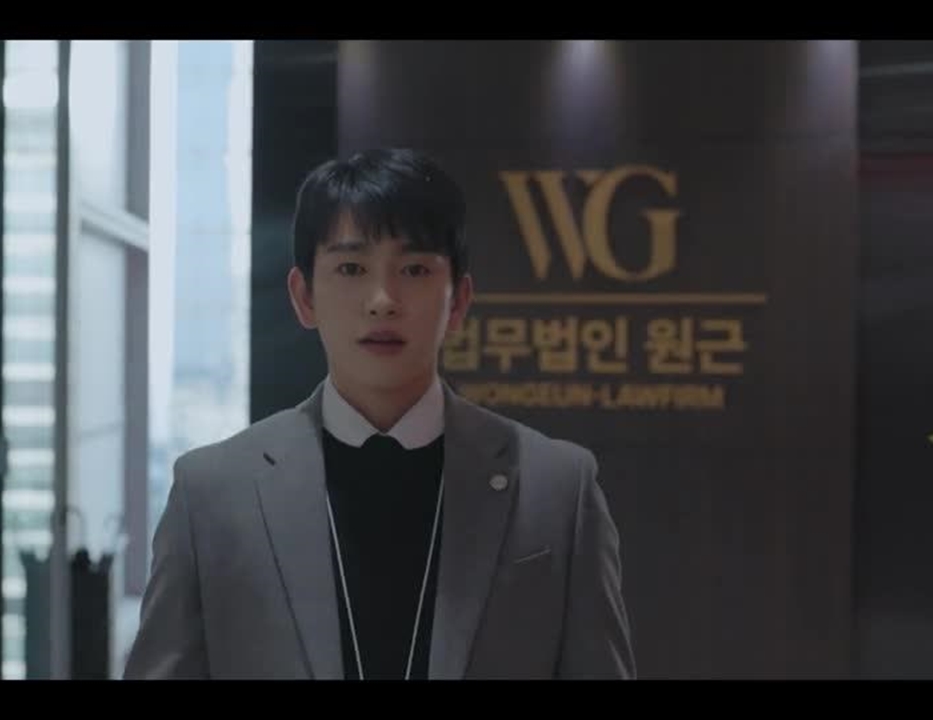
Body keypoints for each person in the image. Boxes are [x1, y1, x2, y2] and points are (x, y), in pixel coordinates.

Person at [122, 148, 635, 680]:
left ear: (458, 300)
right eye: (351, 268)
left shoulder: (558, 488)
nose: (383, 299)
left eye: (414, 269)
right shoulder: (211, 493)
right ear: (304, 296)